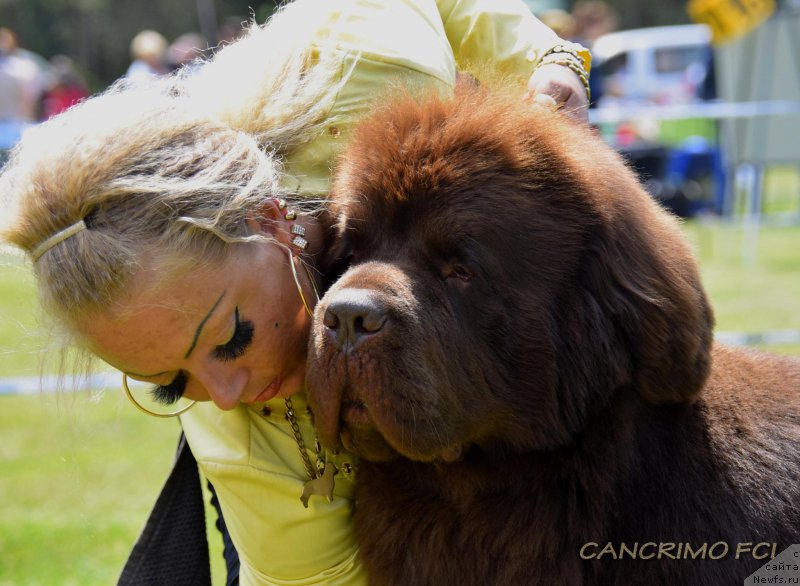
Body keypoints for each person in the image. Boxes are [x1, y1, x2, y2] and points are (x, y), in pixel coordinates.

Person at [0, 0, 591, 584]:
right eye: (170, 387)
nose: (227, 396)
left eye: (231, 339)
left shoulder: (364, 63)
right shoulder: (246, 448)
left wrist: (548, 58)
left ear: (271, 221)